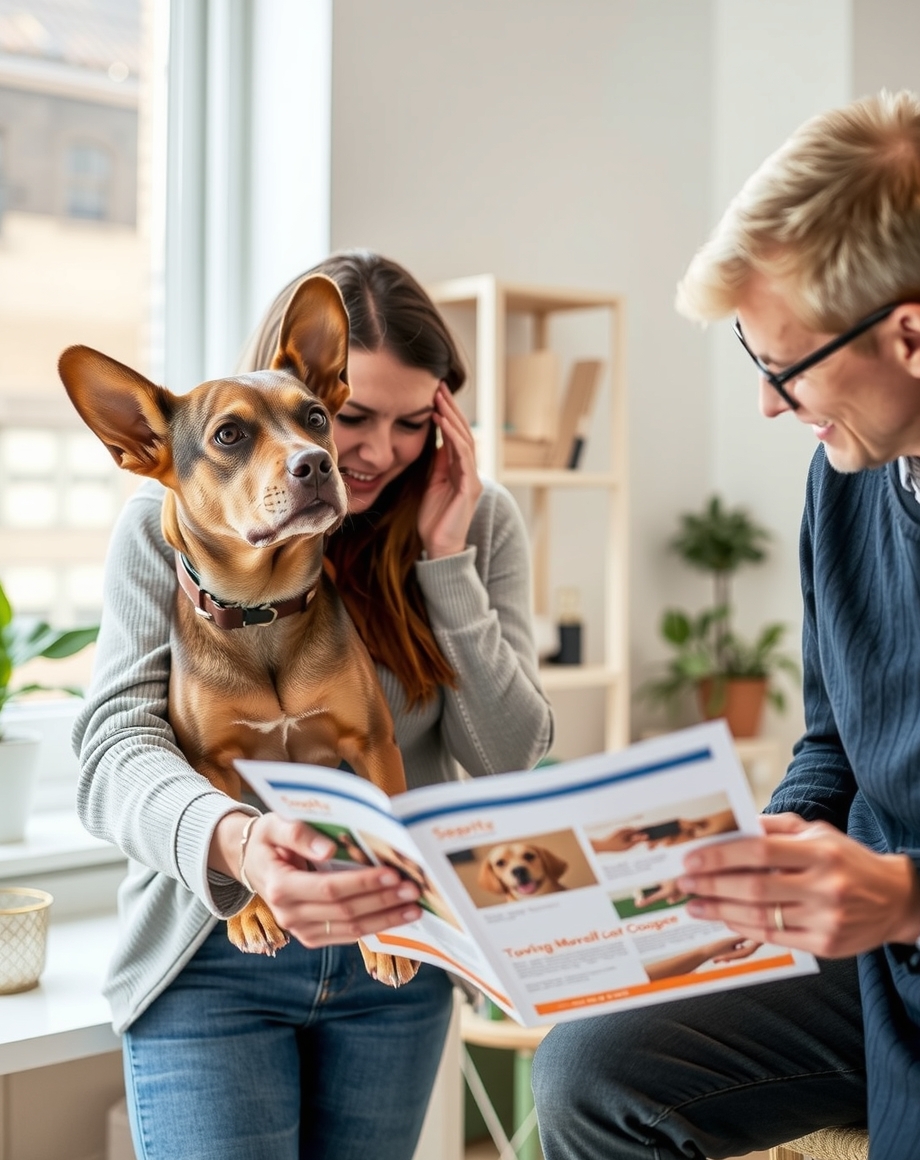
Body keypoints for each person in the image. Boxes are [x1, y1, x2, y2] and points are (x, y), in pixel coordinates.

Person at [74, 250, 553, 1160]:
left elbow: (509, 756)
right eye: (359, 417)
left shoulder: (478, 525)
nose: (366, 453)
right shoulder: (162, 530)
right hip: (209, 957)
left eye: (413, 423)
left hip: (395, 959)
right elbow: (110, 752)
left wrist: (446, 561)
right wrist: (233, 843)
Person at [533, 89, 920, 1160]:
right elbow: (834, 737)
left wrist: (900, 894)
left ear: (909, 334)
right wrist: (768, 865)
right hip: (884, 947)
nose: (765, 404)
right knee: (586, 1070)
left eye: (780, 368)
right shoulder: (841, 480)